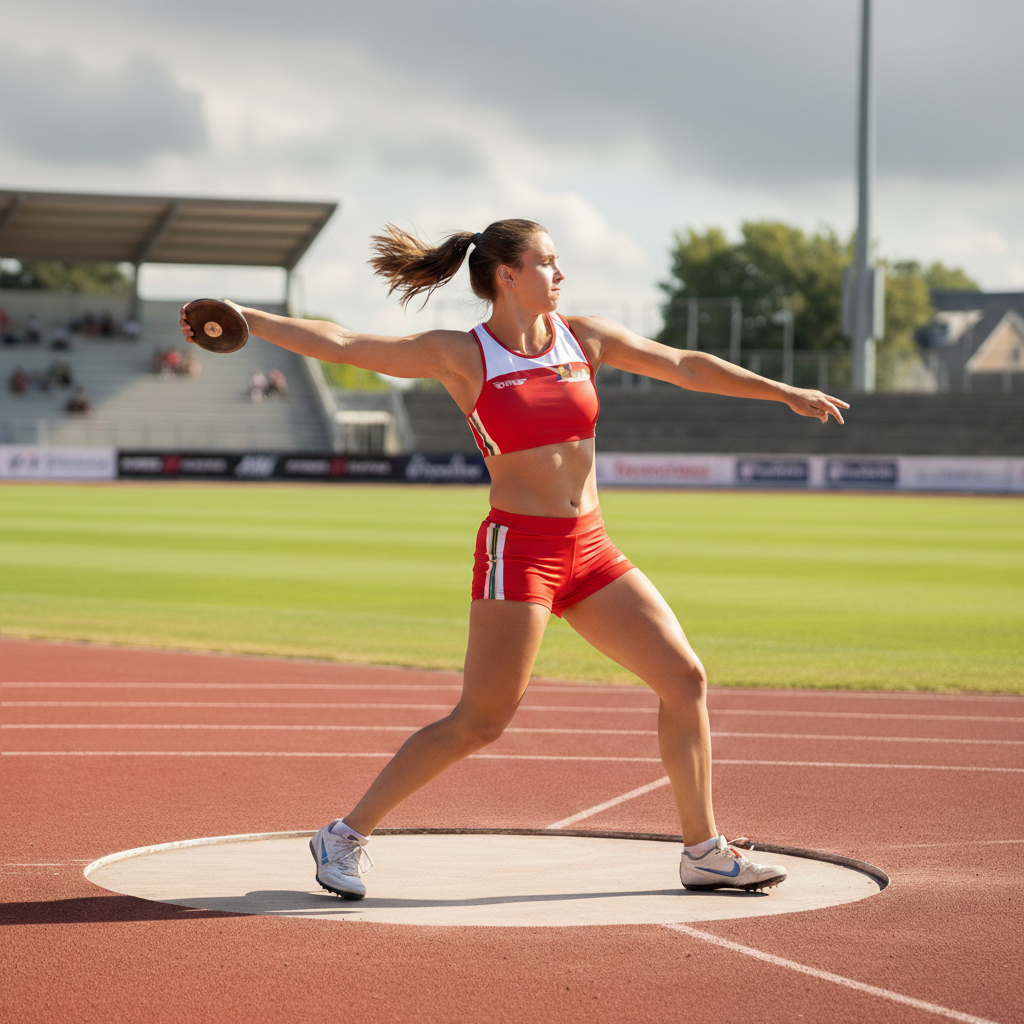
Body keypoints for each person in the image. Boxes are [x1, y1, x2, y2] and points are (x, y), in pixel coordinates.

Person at [180, 218, 849, 900]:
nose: (560, 274)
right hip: (518, 553)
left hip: (590, 547)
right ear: (507, 274)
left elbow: (682, 364)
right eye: (547, 262)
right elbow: (349, 342)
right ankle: (343, 836)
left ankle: (704, 850)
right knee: (482, 720)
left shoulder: (583, 337)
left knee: (685, 679)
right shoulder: (462, 355)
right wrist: (251, 319)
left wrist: (782, 391)